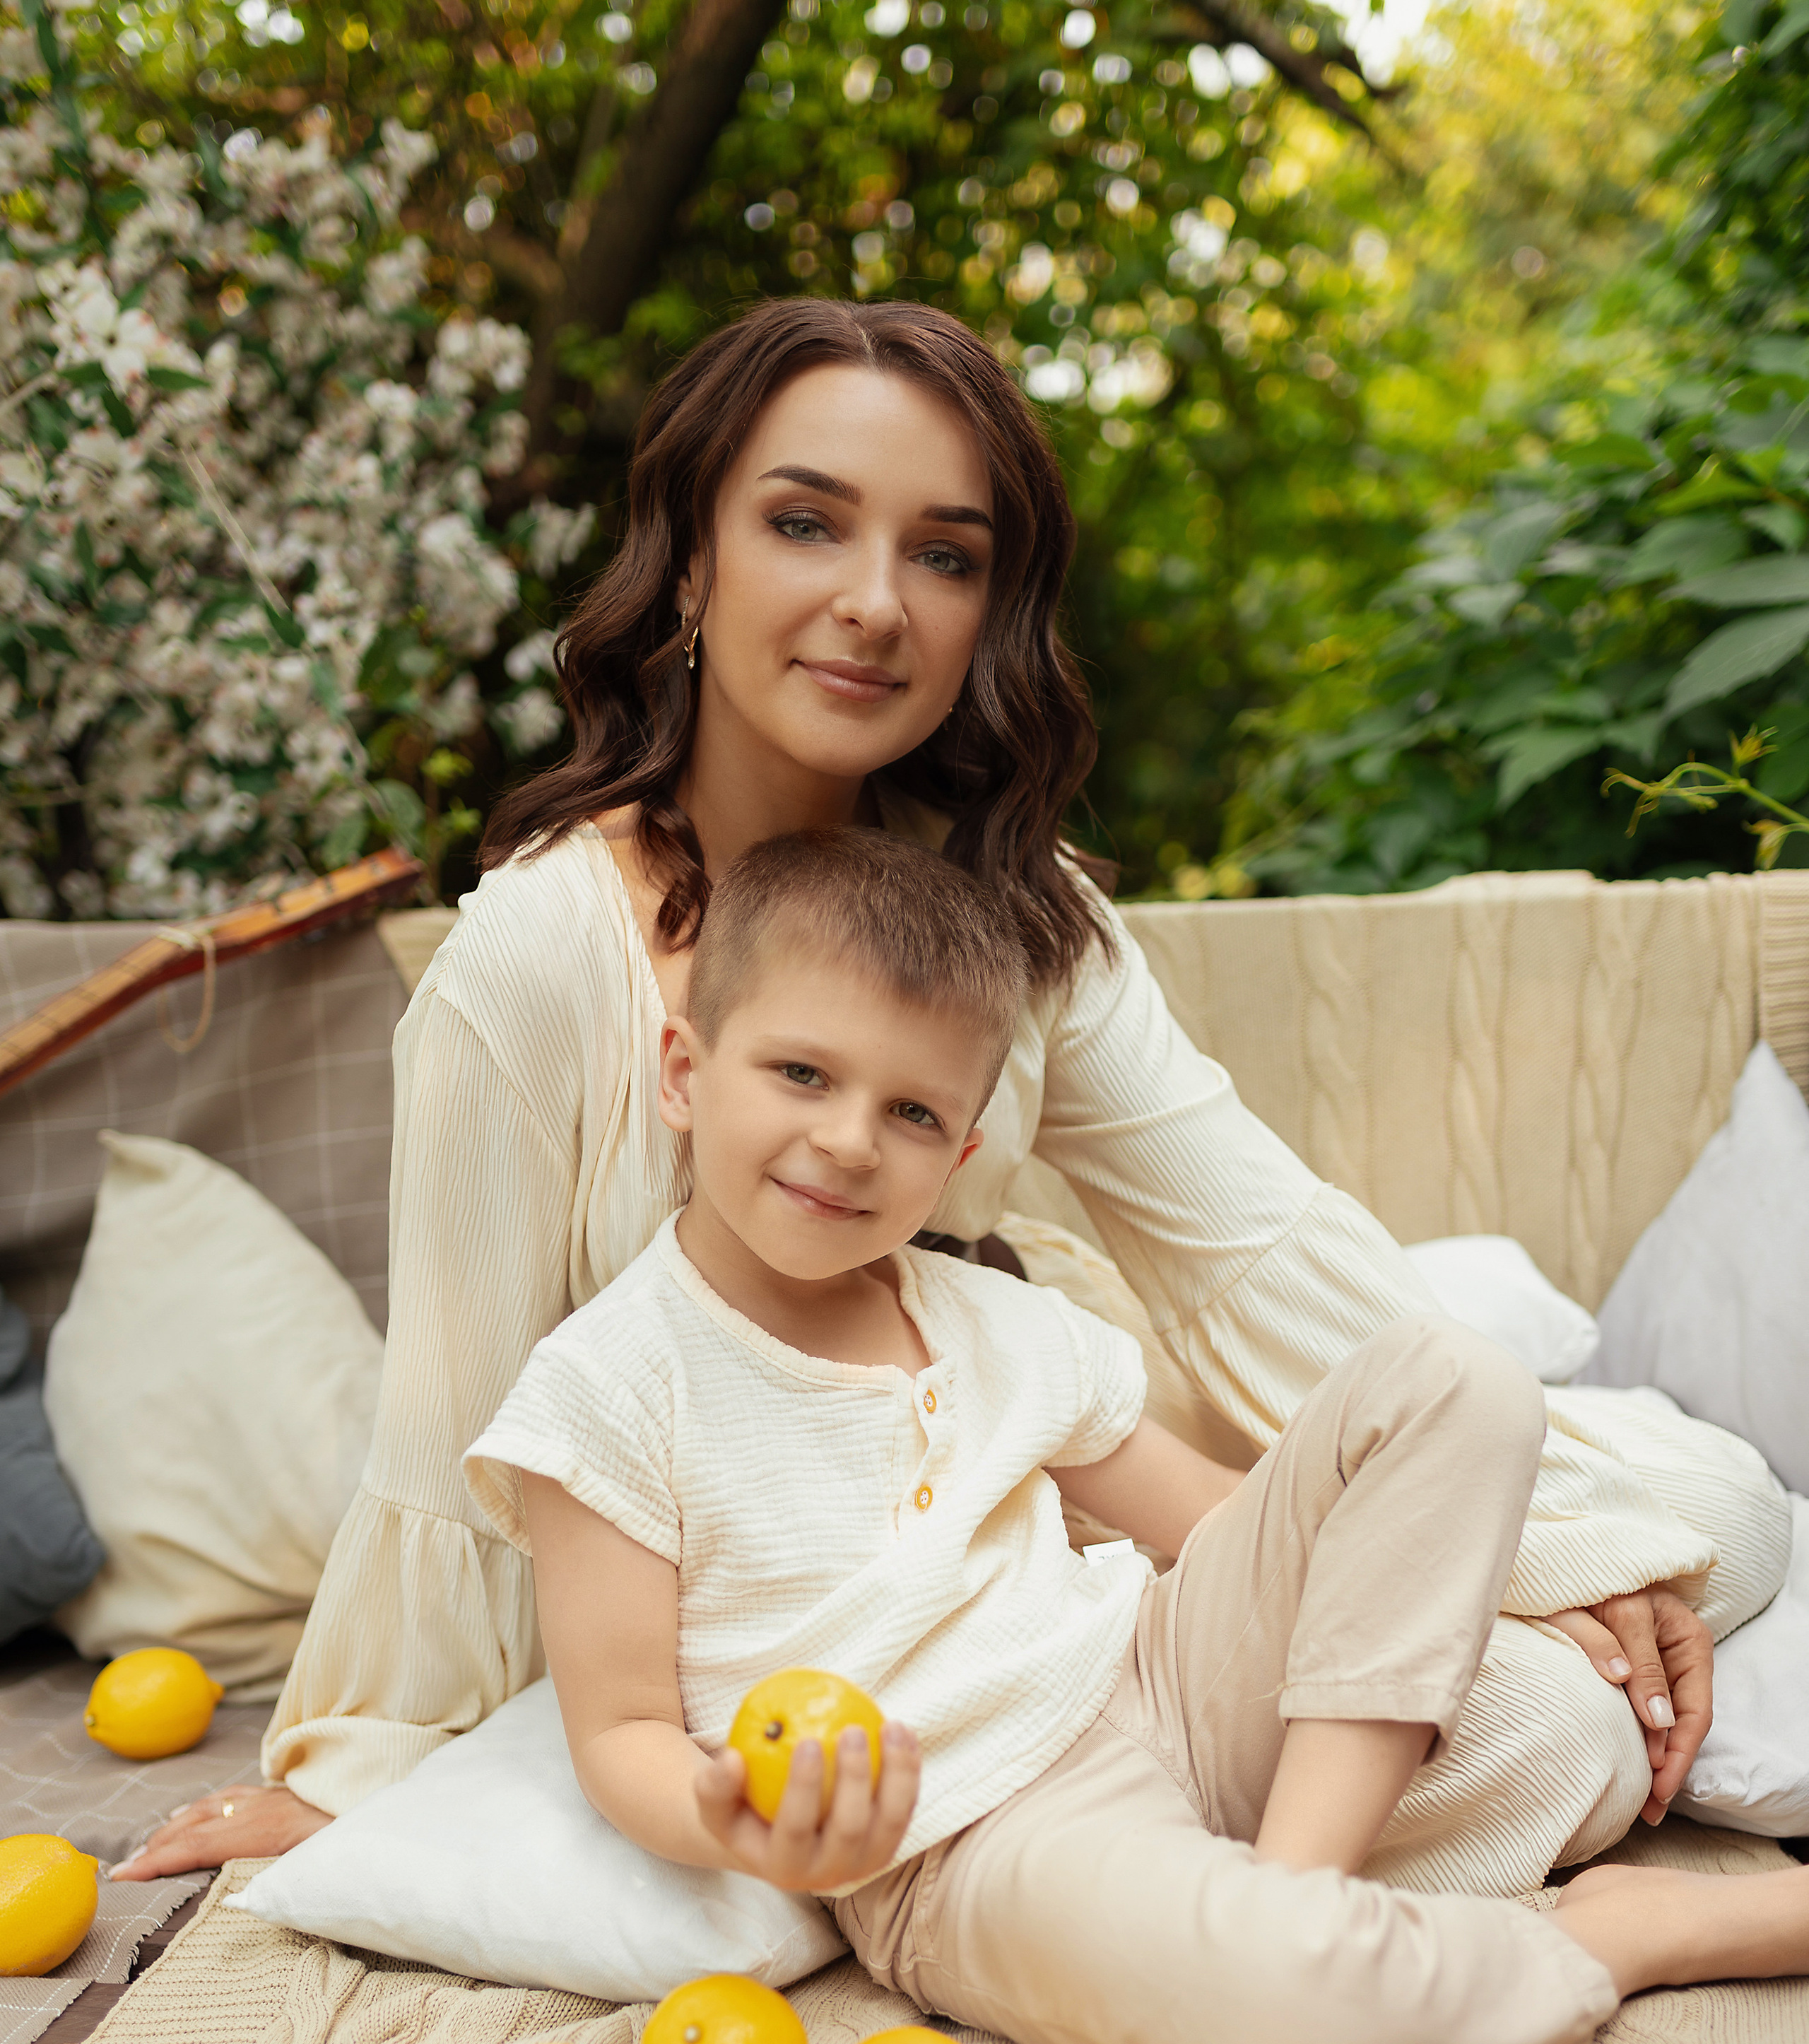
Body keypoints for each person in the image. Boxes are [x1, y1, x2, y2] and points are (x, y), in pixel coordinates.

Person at [117, 294, 1784, 1892]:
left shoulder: (1015, 908)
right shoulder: (539, 960)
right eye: (804, 525)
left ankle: (1287, 1817)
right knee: (1552, 1651)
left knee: (1702, 1524)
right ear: (689, 562)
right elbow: (453, 1430)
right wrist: (374, 1780)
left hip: (1049, 1499)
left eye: (943, 555)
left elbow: (1252, 1249)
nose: (873, 601)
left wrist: (1562, 1558)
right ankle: (1237, 1861)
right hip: (785, 1626)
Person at [463, 829, 1809, 2044]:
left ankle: (1291, 1896)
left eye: (913, 1111)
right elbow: (624, 1731)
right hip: (978, 1827)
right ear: (686, 1074)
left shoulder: (990, 1319)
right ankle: (1614, 1940)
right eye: (802, 1073)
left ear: (962, 1153)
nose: (853, 1140)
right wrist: (736, 1820)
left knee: (1466, 1404)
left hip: (1162, 1671)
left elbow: (1230, 1522)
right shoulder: (610, 1388)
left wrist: (1460, 1580)